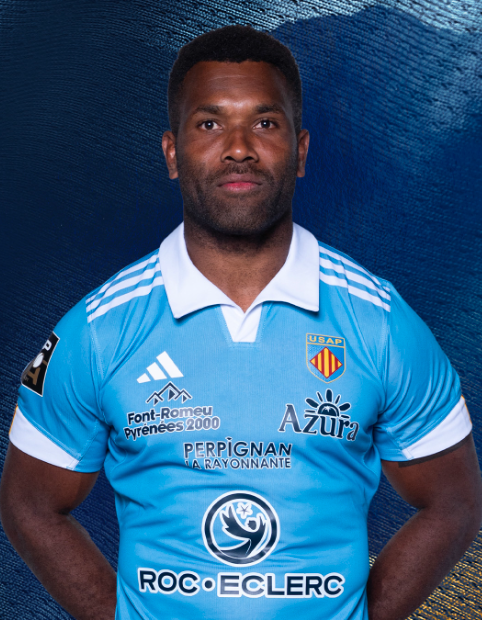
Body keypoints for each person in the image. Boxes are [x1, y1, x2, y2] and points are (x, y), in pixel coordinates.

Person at [1, 24, 481, 620]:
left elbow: (454, 502)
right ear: (171, 154)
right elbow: (30, 503)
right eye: (209, 124)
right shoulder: (99, 330)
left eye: (265, 123)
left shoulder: (379, 322)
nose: (238, 148)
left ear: (301, 151)